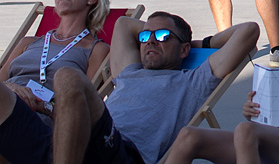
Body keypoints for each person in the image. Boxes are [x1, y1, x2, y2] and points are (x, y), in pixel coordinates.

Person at [0, 12, 259, 164]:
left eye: (162, 37)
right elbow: (124, 23)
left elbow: (249, 30)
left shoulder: (194, 80)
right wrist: (159, 33)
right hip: (68, 145)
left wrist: (198, 43)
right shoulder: (129, 71)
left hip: (119, 151)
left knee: (68, 77)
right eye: (145, 37)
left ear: (183, 49)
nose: (149, 42)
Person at [1, 0, 111, 118]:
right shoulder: (28, 42)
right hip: (6, 99)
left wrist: (41, 105)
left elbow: (84, 108)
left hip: (36, 116)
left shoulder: (96, 50)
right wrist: (10, 88)